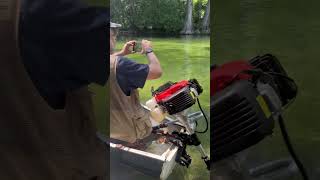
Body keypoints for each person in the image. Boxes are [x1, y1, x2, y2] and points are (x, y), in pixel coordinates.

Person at [109, 22, 162, 144]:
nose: (115, 38)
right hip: (126, 133)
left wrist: (122, 53)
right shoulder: (122, 65)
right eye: (113, 35)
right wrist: (148, 49)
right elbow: (156, 71)